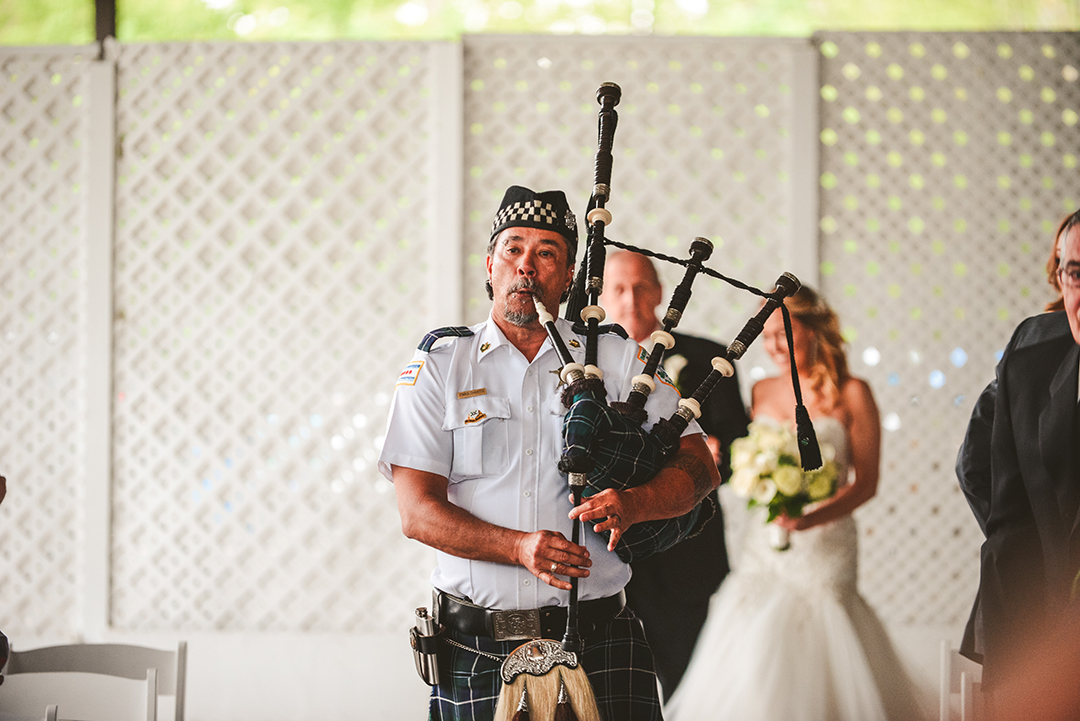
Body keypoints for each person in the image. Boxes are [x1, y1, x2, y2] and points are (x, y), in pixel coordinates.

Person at [378, 185, 720, 721]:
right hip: (476, 650)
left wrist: (639, 503)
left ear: (567, 275)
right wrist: (517, 547)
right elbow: (417, 512)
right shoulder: (442, 366)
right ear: (490, 265)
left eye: (546, 253)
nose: (527, 267)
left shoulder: (617, 357)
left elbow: (700, 465)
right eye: (513, 249)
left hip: (600, 641)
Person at [665, 286, 923, 721]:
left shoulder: (853, 392)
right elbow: (744, 459)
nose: (773, 346)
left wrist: (813, 517)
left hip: (824, 545)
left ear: (813, 329)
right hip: (764, 543)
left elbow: (867, 483)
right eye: (765, 337)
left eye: (782, 333)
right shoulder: (761, 391)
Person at [601, 250, 750, 700]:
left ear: (662, 292)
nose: (631, 298)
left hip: (689, 552)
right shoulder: (583, 362)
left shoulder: (709, 357)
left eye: (642, 286)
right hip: (608, 557)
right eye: (619, 288)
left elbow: (732, 444)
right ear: (602, 297)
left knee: (690, 688)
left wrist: (713, 453)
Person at [955, 208, 1080, 706]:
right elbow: (980, 469)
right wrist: (1046, 550)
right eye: (1076, 273)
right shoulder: (1033, 352)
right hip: (1042, 627)